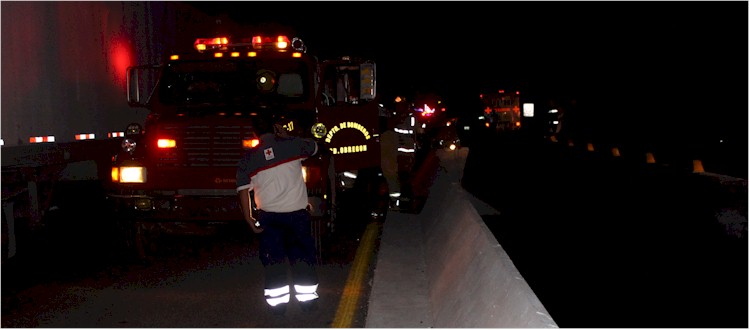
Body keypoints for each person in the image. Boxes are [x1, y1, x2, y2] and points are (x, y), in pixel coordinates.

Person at [235, 114, 320, 316]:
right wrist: (288, 135)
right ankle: (307, 303)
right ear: (275, 127)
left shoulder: (248, 159)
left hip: (269, 219)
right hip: (297, 216)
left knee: (274, 262)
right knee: (302, 259)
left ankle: (278, 308)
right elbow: (315, 146)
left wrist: (249, 219)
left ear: (254, 132)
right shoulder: (293, 145)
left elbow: (243, 191)